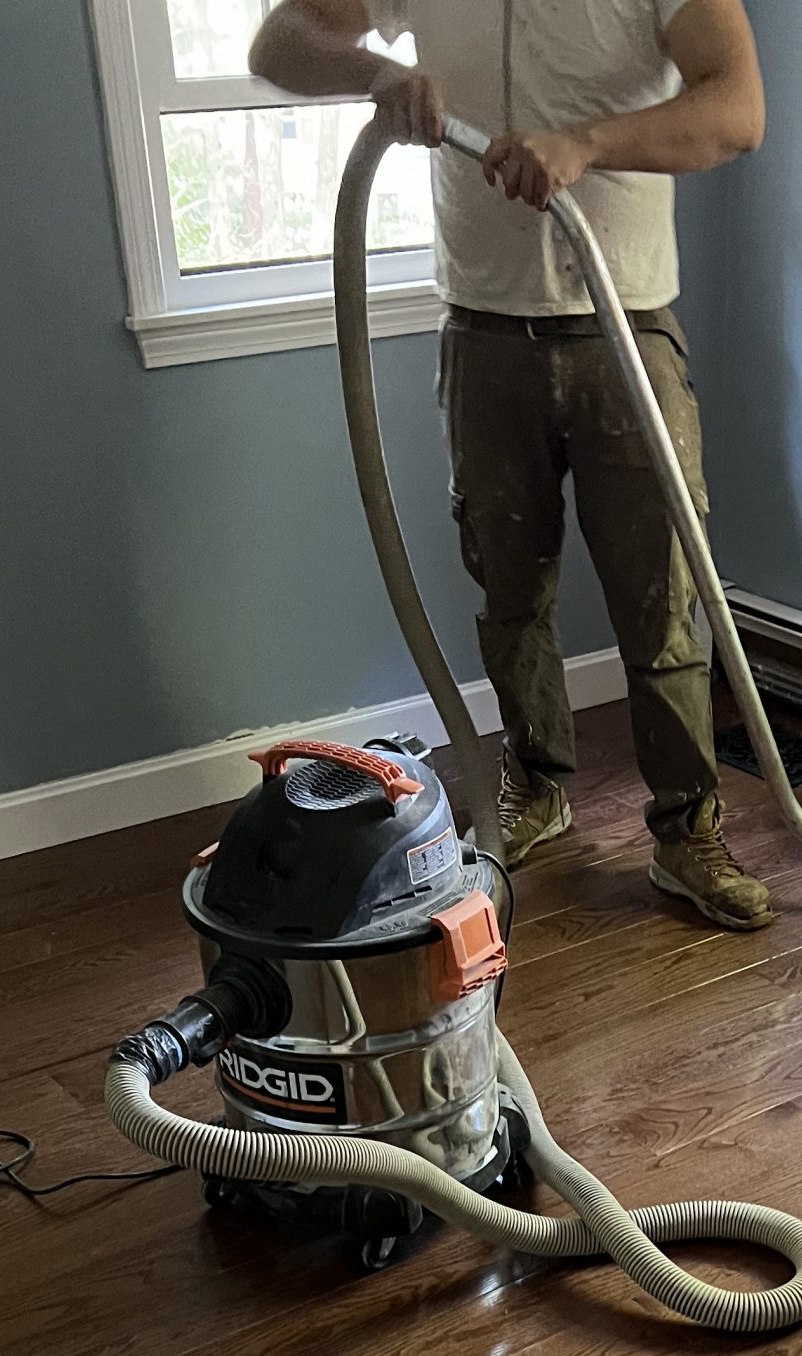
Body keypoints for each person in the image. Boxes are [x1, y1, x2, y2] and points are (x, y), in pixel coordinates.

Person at [249, 0, 775, 930]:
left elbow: (736, 111)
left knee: (661, 604)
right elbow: (280, 39)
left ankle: (686, 830)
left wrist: (586, 143)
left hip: (627, 327)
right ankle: (534, 784)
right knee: (508, 588)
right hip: (484, 331)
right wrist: (378, 74)